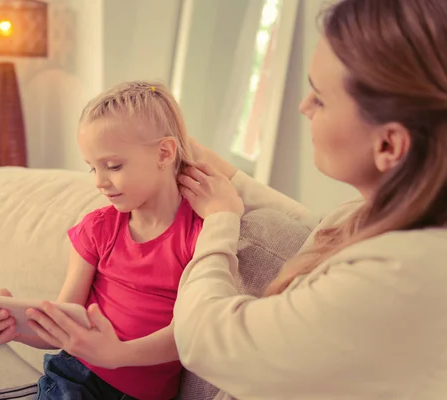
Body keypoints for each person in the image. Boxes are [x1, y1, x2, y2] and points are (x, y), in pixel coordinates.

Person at [172, 0, 447, 398]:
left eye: (319, 98)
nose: (304, 107)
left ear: (389, 143)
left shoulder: (398, 278)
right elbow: (321, 233)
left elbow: (205, 339)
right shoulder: (389, 215)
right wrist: (231, 179)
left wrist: (219, 222)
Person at [0, 81, 202, 400]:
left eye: (113, 166)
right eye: (92, 168)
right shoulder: (99, 229)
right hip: (79, 379)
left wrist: (119, 354)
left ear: (164, 152)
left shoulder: (197, 236)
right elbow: (63, 322)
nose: (100, 182)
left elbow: (190, 333)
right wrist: (17, 329)